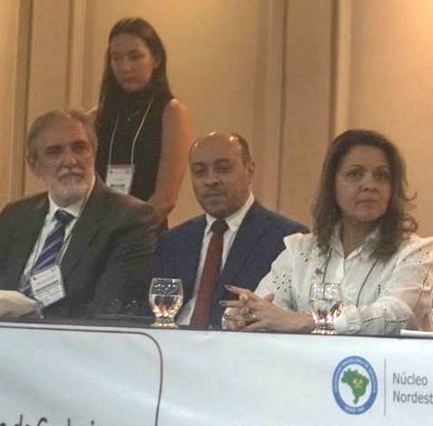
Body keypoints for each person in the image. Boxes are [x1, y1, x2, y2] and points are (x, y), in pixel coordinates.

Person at [223, 129, 433, 335]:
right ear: (332, 185)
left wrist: (310, 322)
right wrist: (243, 315)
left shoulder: (418, 251)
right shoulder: (299, 250)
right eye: (355, 174)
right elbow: (266, 307)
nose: (370, 185)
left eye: (381, 176)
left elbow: (398, 315)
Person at [0, 109, 159, 319]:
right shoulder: (16, 215)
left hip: (74, 339)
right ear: (34, 165)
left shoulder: (131, 219)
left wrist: (33, 313)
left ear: (94, 154)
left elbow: (109, 310)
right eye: (54, 152)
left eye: (80, 148)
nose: (70, 161)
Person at [150, 132, 307, 329]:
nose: (210, 180)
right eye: (199, 172)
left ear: (250, 171)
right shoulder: (173, 241)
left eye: (223, 169)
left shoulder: (285, 240)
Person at [94, 17, 190, 224]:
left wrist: (126, 233)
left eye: (135, 57)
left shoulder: (171, 112)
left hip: (145, 230)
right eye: (116, 58)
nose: (125, 67)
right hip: (98, 228)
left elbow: (166, 198)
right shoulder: (98, 116)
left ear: (155, 59)